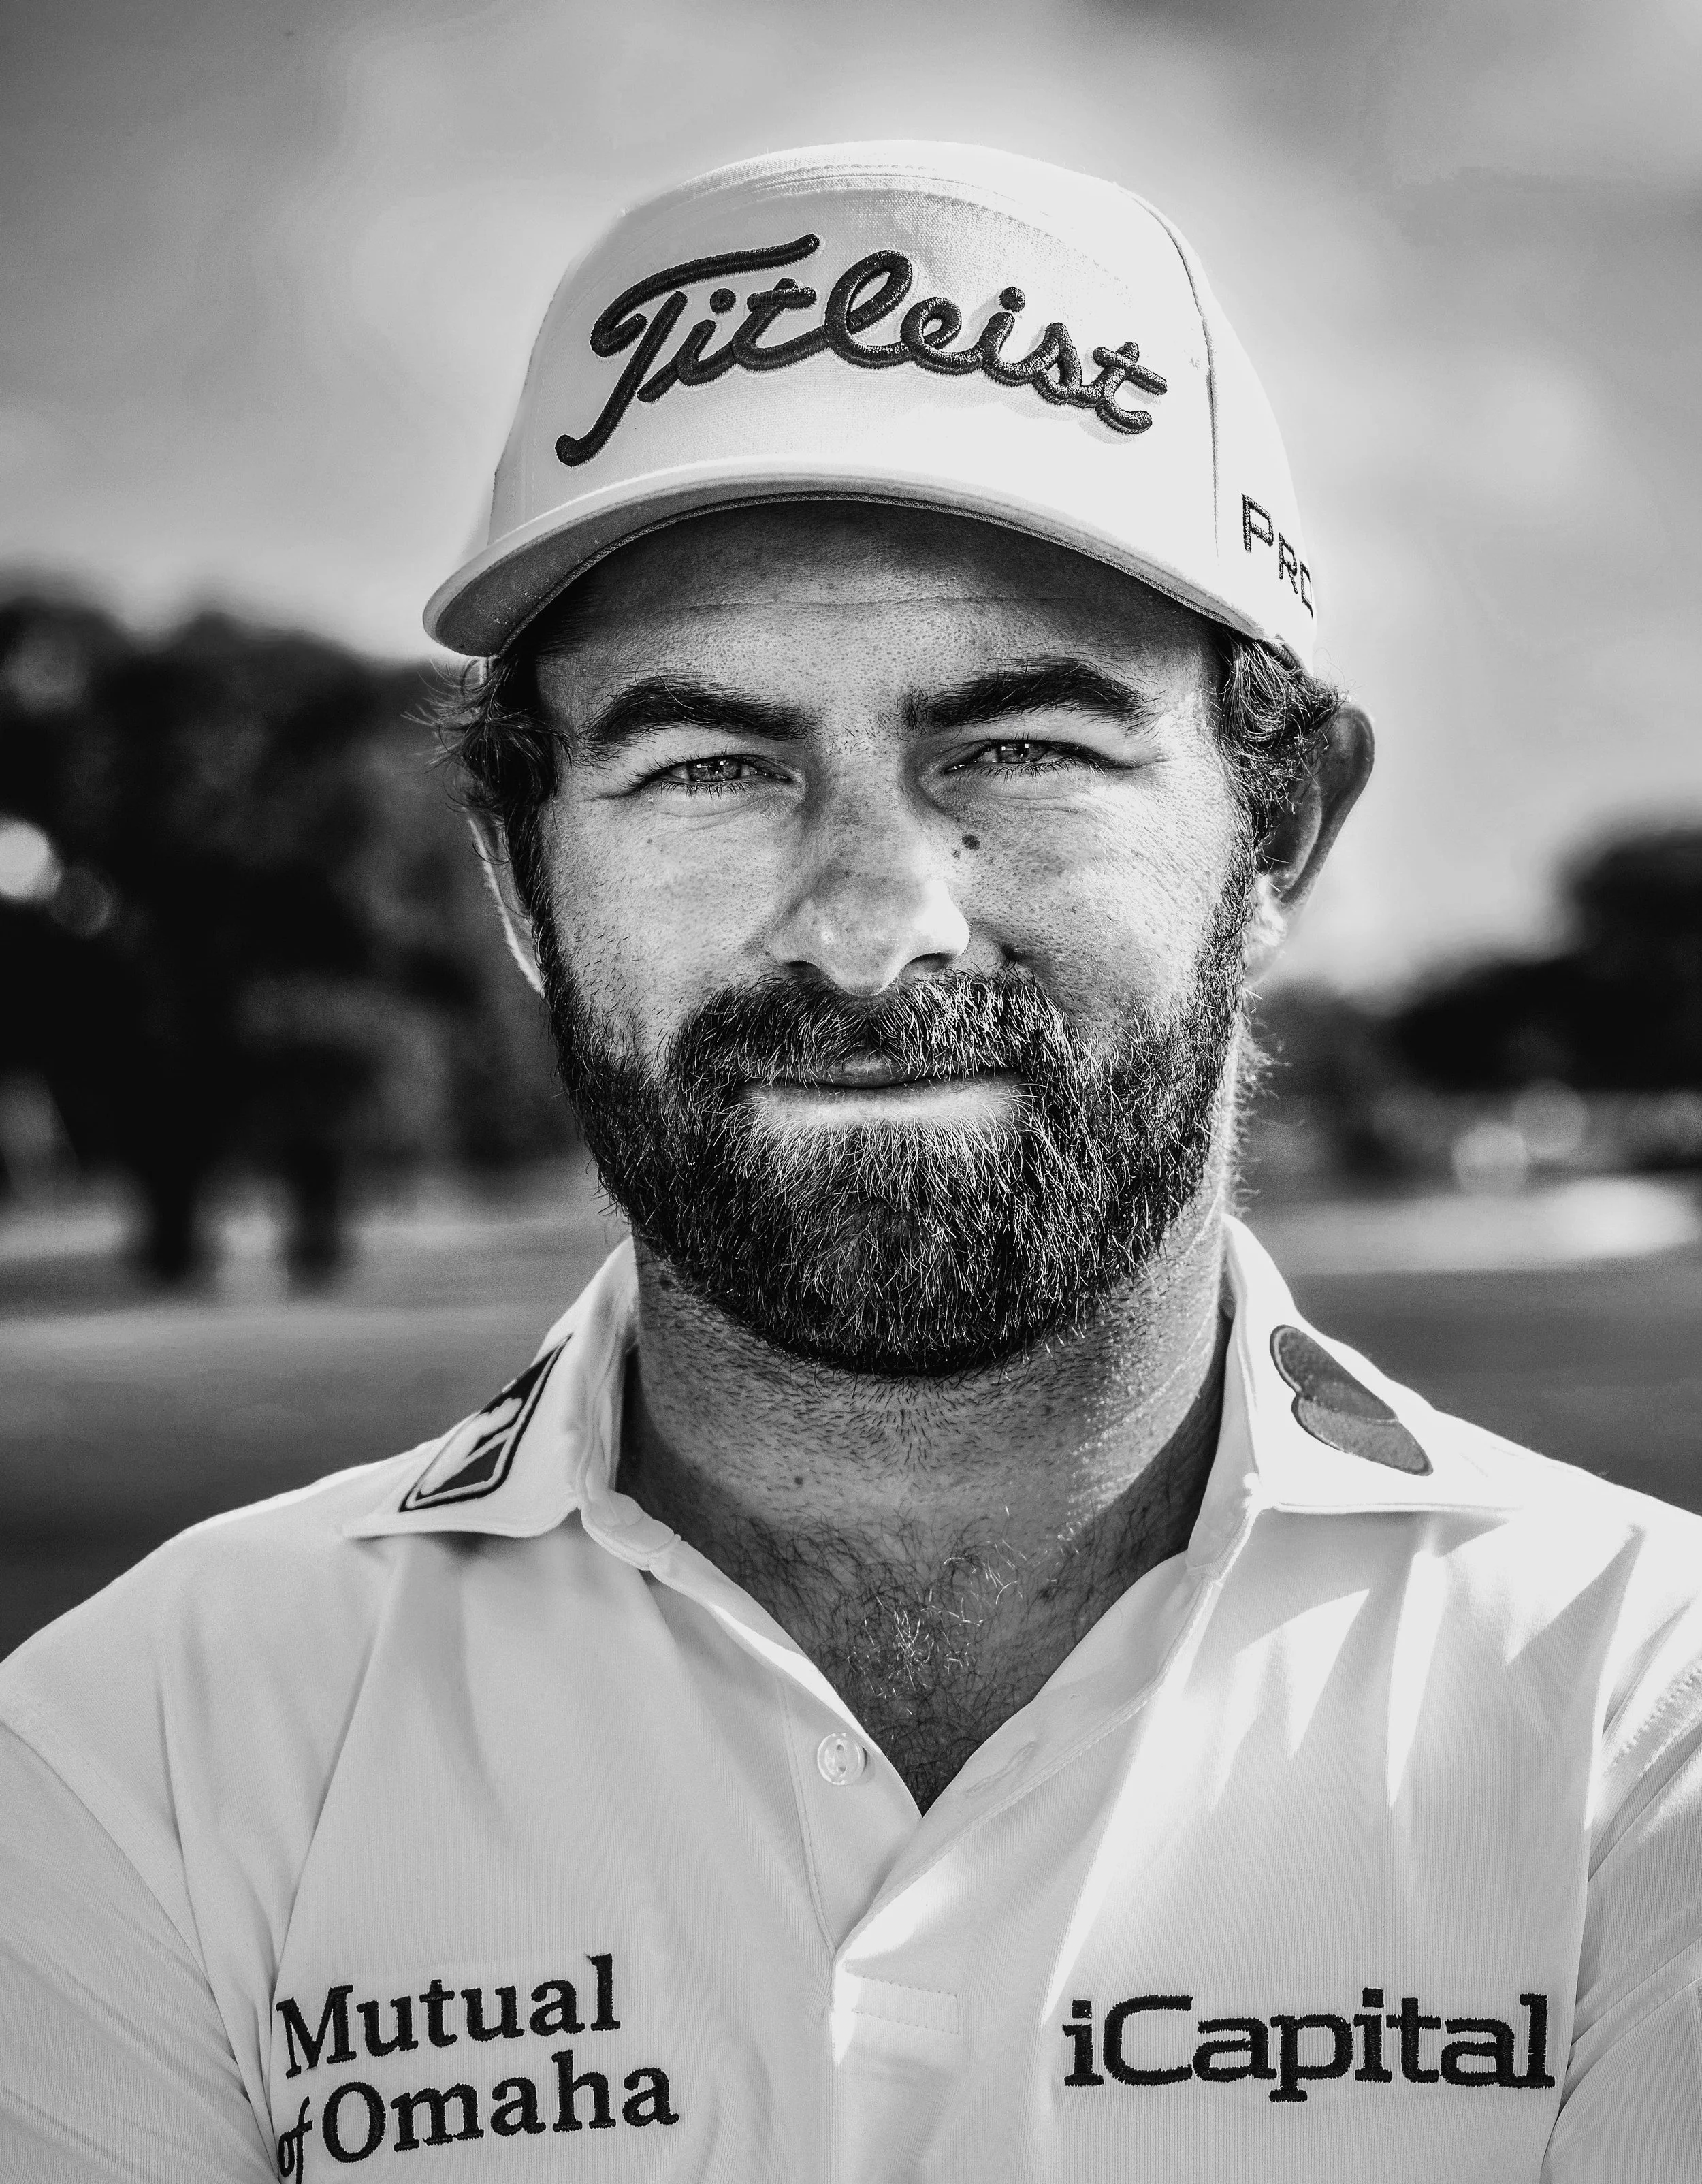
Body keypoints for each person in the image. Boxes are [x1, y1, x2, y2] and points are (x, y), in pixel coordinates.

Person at [1, 143, 1697, 2183]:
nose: (871, 920)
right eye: (708, 764)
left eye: (1024, 746)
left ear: (1275, 835)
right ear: (521, 880)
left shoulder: (1640, 1711)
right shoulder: (145, 1749)